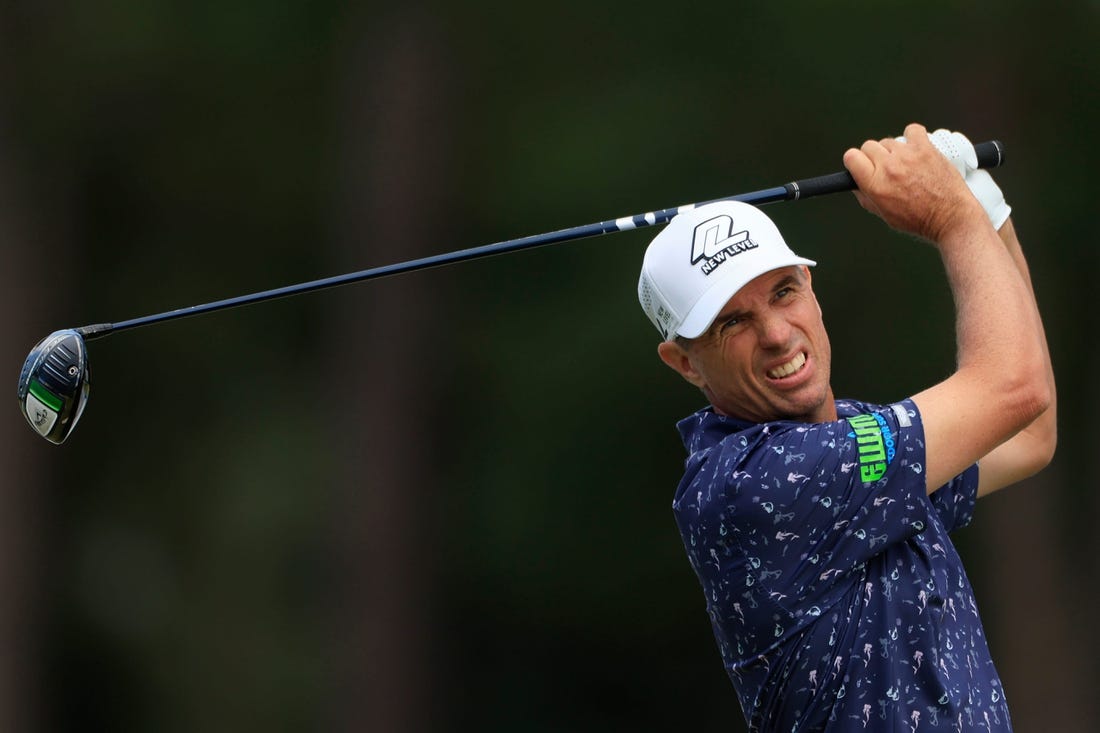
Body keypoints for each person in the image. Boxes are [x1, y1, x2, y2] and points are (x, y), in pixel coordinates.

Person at [637, 124, 1056, 731]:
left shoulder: (862, 435)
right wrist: (950, 219)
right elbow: (1015, 390)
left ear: (812, 287)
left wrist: (982, 208)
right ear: (683, 362)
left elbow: (1027, 434)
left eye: (784, 291)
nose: (778, 334)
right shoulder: (754, 484)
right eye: (733, 323)